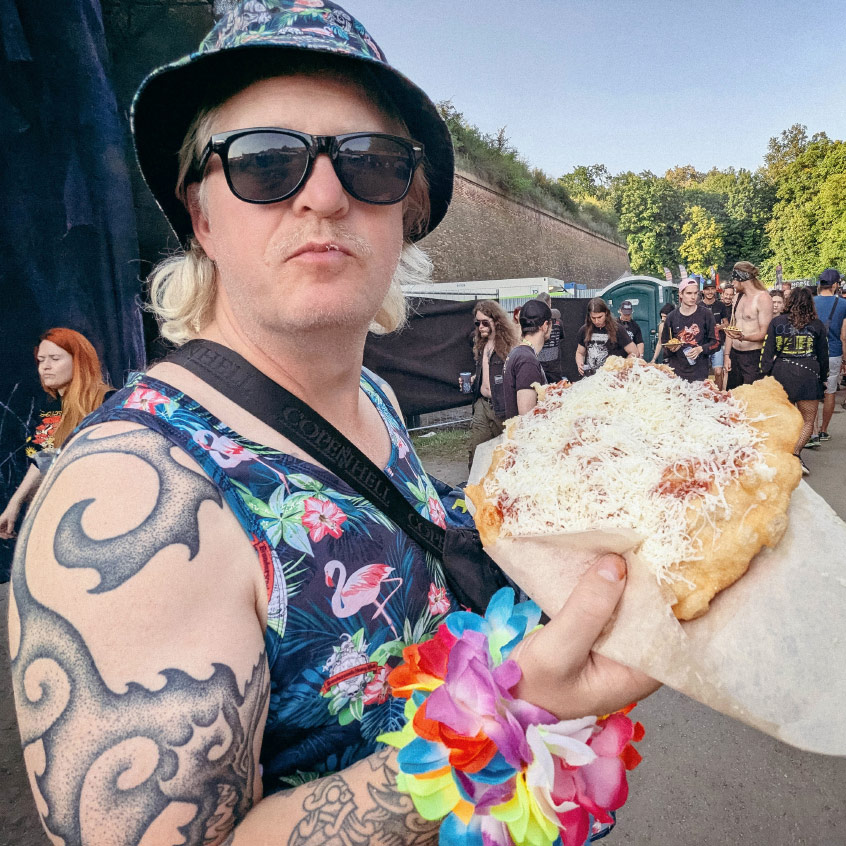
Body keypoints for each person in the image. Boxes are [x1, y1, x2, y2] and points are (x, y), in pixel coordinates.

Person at [9, 5, 658, 844]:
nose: (323, 195)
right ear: (200, 215)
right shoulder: (136, 496)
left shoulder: (374, 398)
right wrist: (499, 718)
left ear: (404, 211)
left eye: (371, 163)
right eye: (265, 162)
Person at [0, 328, 113, 538]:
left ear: (79, 362)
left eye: (55, 358)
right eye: (41, 360)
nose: (45, 367)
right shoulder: (52, 409)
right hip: (59, 516)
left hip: (97, 515)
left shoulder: (107, 402)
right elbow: (42, 458)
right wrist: (15, 503)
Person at [759, 287, 829, 476]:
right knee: (808, 420)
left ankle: (780, 455)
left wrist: (765, 375)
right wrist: (824, 378)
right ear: (810, 304)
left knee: (781, 418)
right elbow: (823, 356)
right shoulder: (817, 325)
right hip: (808, 375)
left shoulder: (777, 322)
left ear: (789, 302)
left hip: (782, 373)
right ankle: (795, 453)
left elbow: (767, 352)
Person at [467, 299, 515, 467]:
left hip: (502, 407)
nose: (481, 327)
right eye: (478, 323)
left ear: (496, 321)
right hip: (482, 404)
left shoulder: (510, 346)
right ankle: (474, 482)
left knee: (506, 453)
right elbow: (486, 371)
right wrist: (475, 379)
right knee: (476, 451)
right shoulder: (481, 344)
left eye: (485, 322)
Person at [810, 269, 846, 445]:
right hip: (833, 352)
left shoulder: (811, 302)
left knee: (812, 393)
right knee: (830, 391)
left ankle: (812, 431)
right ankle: (824, 430)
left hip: (812, 352)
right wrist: (845, 359)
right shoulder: (843, 304)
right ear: (835, 285)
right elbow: (844, 335)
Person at [724, 261, 772, 387]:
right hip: (735, 355)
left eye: (734, 279)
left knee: (751, 395)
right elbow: (731, 327)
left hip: (753, 356)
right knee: (733, 394)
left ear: (742, 278)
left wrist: (743, 337)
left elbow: (764, 333)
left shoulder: (763, 298)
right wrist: (727, 355)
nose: (733, 283)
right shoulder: (737, 297)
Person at [502, 299, 551, 420]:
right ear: (545, 326)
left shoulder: (518, 353)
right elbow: (527, 416)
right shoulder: (527, 360)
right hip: (526, 431)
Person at [663, 277, 718, 382]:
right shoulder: (671, 317)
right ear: (680, 294)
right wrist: (671, 348)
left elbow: (716, 342)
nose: (693, 297)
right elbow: (664, 343)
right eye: (689, 293)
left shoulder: (706, 314)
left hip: (699, 371)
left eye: (695, 293)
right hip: (677, 372)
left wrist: (701, 349)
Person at [576, 296, 636, 376]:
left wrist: (623, 367)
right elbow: (580, 352)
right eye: (593, 318)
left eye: (600, 317)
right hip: (591, 377)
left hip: (611, 377)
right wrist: (580, 364)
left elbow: (634, 352)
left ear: (606, 313)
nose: (596, 321)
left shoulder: (618, 329)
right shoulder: (584, 330)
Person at [701, 278, 730, 387]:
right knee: (702, 374)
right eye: (707, 289)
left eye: (712, 289)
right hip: (703, 344)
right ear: (703, 291)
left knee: (718, 372)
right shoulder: (698, 306)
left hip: (717, 343)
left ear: (715, 290)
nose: (710, 292)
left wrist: (719, 327)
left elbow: (726, 323)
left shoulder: (720, 305)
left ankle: (719, 393)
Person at [534, 291, 564, 382]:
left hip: (550, 367)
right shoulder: (558, 322)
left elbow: (560, 338)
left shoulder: (558, 323)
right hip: (544, 367)